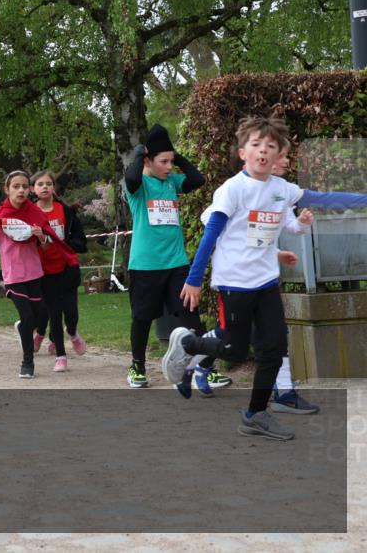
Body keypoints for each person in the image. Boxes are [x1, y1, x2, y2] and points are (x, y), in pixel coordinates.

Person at [166, 116, 367, 440]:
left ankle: (255, 414)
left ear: (278, 156)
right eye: (256, 144)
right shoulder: (233, 190)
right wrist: (193, 278)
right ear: (243, 153)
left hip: (266, 283)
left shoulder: (282, 190)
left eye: (270, 146)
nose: (263, 150)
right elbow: (212, 234)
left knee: (274, 348)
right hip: (234, 284)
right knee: (233, 349)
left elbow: (324, 199)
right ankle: (188, 343)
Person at [121, 124, 207, 388]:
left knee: (190, 314)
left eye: (172, 161)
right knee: (142, 318)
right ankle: (137, 366)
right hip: (145, 265)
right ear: (148, 160)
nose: (169, 167)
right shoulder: (138, 186)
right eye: (164, 162)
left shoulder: (172, 182)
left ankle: (204, 368)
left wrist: (177, 157)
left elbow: (197, 180)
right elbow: (132, 177)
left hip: (176, 264)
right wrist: (140, 154)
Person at [0, 172, 76, 376]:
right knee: (28, 316)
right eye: (16, 186)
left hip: (35, 274)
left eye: (24, 186)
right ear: (7, 190)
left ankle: (23, 326)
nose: (21, 190)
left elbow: (46, 246)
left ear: (29, 190)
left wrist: (41, 237)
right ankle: (27, 363)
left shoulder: (35, 214)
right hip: (13, 276)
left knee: (37, 318)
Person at [29, 170, 88, 372]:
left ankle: (72, 333)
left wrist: (67, 245)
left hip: (67, 267)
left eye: (48, 183)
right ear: (33, 189)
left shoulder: (65, 211)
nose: (45, 187)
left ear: (54, 187)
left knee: (71, 313)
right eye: (40, 184)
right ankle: (60, 356)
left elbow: (80, 238)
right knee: (54, 313)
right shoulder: (29, 213)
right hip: (43, 270)